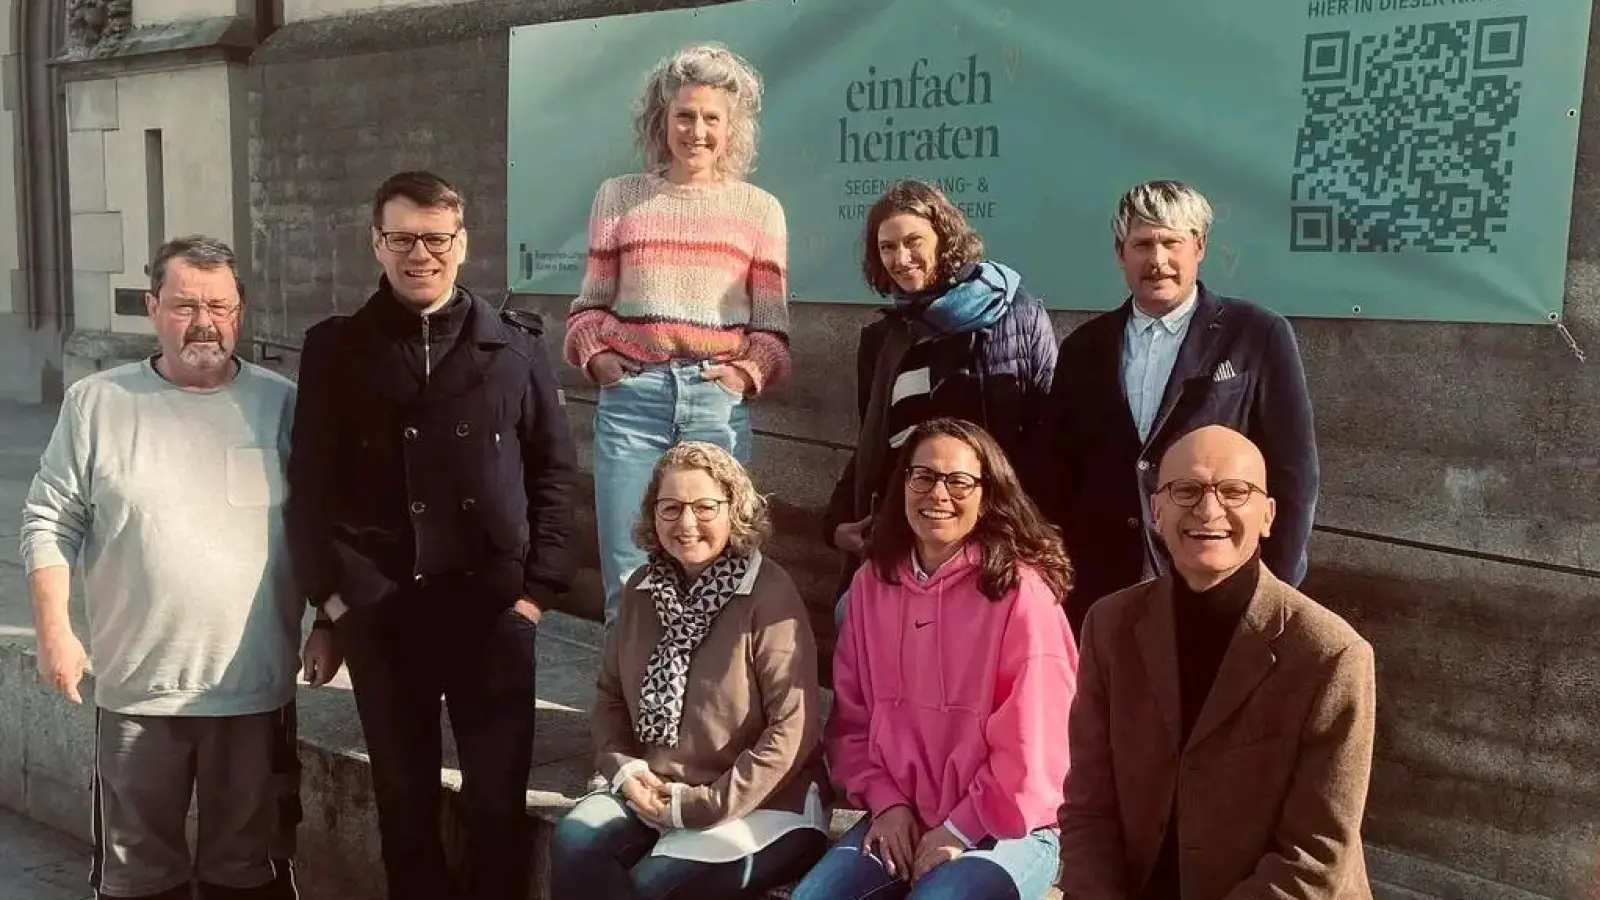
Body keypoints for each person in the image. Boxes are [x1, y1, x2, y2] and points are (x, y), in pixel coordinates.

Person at [285, 171, 577, 900]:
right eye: (402, 238)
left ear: (462, 243)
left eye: (436, 238)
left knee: (496, 804)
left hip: (491, 606)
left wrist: (536, 594)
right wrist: (333, 600)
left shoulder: (513, 346)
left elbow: (553, 470)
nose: (421, 254)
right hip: (383, 609)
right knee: (404, 806)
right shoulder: (337, 349)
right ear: (375, 245)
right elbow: (311, 487)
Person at [21, 236, 301, 900]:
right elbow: (49, 519)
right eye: (183, 305)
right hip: (138, 693)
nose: (204, 322)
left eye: (220, 306)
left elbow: (323, 524)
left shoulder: (282, 403)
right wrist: (54, 631)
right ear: (152, 307)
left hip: (254, 691)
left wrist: (331, 625)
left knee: (249, 874)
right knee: (139, 880)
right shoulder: (98, 403)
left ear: (242, 311)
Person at [1058, 425, 1375, 900]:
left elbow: (1314, 857)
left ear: (1268, 514)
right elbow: (1088, 807)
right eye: (1185, 490)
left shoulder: (1330, 656)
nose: (1208, 510)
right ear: (1156, 512)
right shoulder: (1109, 627)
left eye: (1234, 491)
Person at [794, 418, 1077, 900]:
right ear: (902, 484)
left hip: (1007, 823)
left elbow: (1036, 749)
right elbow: (851, 722)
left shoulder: (1021, 594)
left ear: (988, 494)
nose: (937, 494)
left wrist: (960, 829)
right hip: (903, 812)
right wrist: (886, 804)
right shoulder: (871, 585)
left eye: (958, 481)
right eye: (922, 476)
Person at [563, 41, 790, 628]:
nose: (696, 130)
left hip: (715, 405)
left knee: (720, 567)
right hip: (632, 402)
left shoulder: (760, 210)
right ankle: (631, 714)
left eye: (711, 118)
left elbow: (772, 330)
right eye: (684, 115)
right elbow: (587, 309)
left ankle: (706, 715)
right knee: (628, 570)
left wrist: (746, 373)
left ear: (731, 127)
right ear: (660, 120)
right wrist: (597, 358)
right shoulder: (619, 198)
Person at [1035, 179, 1319, 633]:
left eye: (1172, 242)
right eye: (1142, 244)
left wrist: (1273, 587)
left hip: (1215, 578)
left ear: (1199, 246)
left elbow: (1294, 472)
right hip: (1102, 591)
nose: (1158, 260)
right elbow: (1056, 473)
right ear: (1120, 253)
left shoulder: (1258, 335)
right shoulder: (1083, 348)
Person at [549, 442, 829, 899]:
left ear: (734, 509)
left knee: (652, 885)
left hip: (762, 803)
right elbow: (610, 697)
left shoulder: (768, 594)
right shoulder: (641, 589)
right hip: (657, 787)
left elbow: (792, 730)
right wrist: (624, 771)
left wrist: (701, 806)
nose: (686, 523)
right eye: (671, 507)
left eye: (704, 507)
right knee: (575, 843)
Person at [823, 179, 1057, 639]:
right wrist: (835, 525)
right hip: (909, 531)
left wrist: (1024, 538)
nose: (901, 258)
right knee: (853, 622)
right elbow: (874, 442)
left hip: (990, 537)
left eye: (914, 242)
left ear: (944, 239)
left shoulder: (1016, 313)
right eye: (887, 247)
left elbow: (1049, 431)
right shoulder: (884, 339)